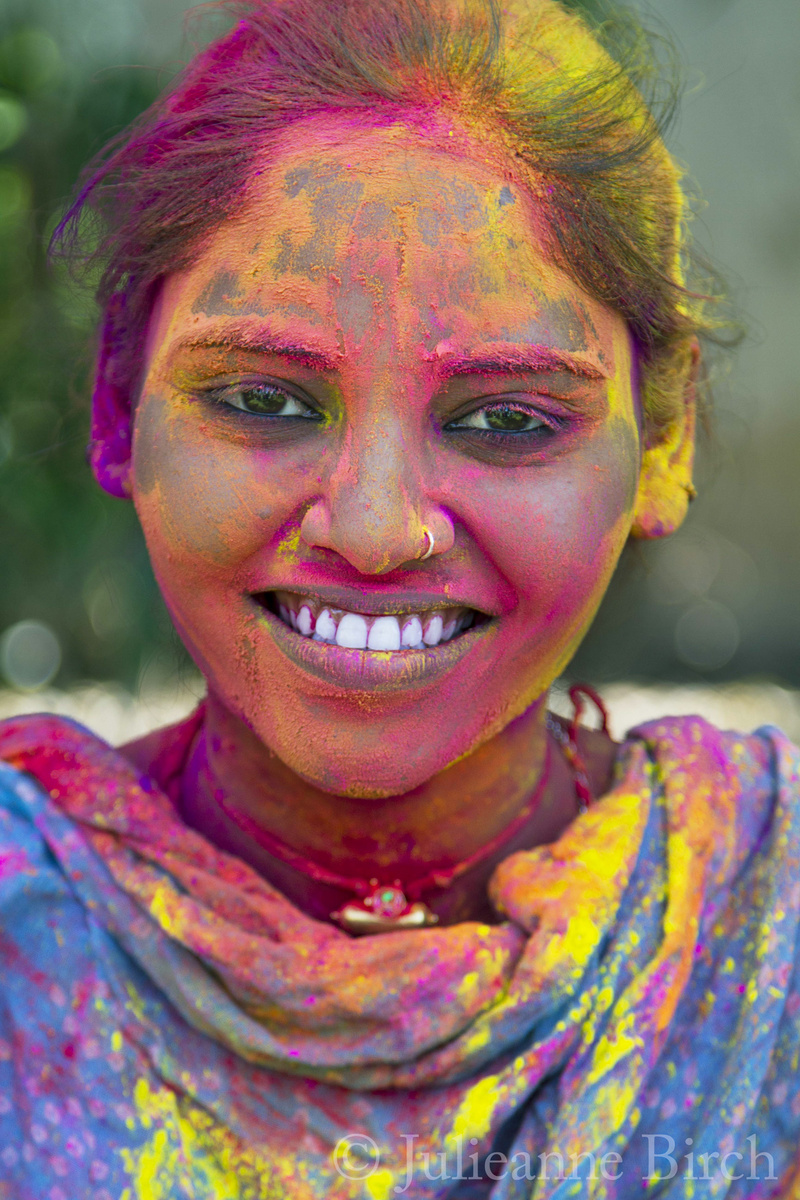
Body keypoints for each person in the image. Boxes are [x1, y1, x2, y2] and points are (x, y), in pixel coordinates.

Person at [0, 0, 798, 1196]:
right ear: (120, 405)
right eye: (263, 402)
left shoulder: (759, 945)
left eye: (507, 420)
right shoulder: (26, 918)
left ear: (665, 435)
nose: (375, 530)